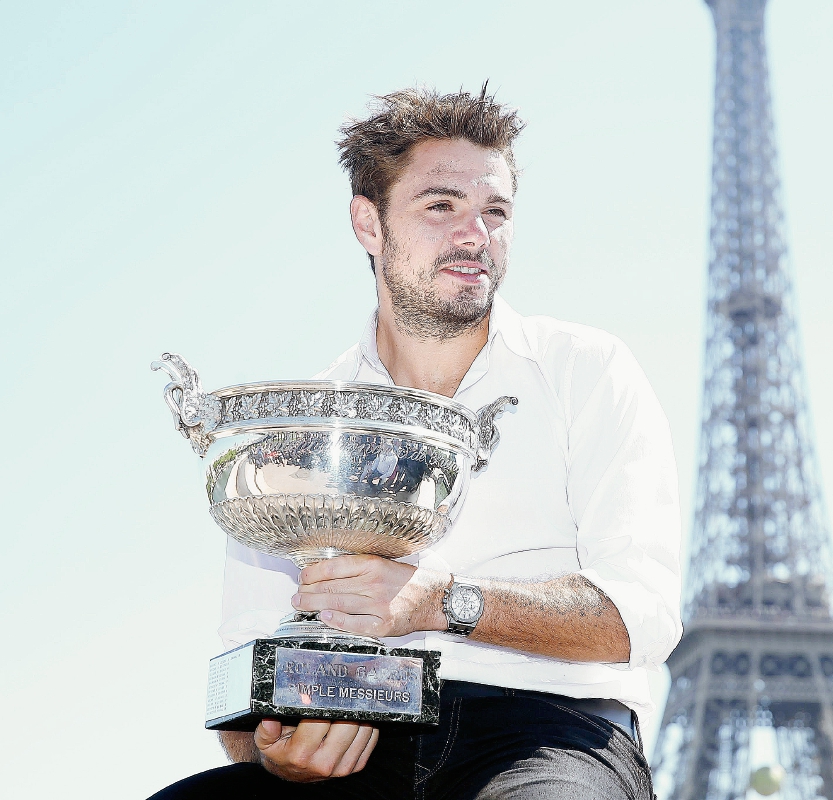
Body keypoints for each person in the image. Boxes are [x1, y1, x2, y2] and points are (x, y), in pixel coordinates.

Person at [151, 86, 682, 799]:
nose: (475, 235)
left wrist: (443, 602)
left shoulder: (586, 370)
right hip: (356, 742)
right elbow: (242, 669)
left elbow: (641, 615)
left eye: (495, 212)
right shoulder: (295, 430)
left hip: (548, 735)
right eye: (441, 206)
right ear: (367, 224)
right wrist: (276, 749)